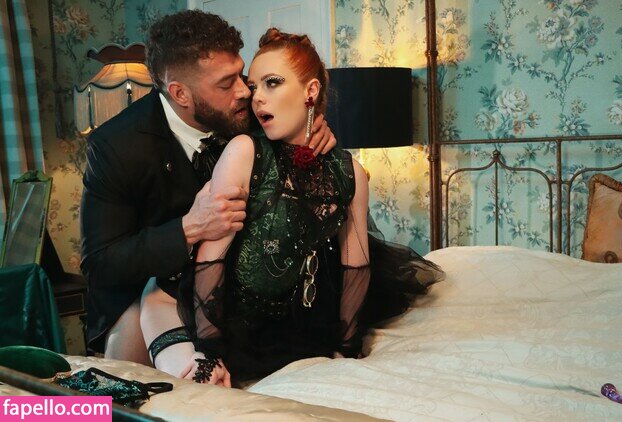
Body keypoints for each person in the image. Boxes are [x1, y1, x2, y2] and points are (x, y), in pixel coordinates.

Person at [141, 28, 443, 386]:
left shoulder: (350, 171)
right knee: (191, 385)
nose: (255, 97)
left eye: (272, 83)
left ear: (311, 91)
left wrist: (346, 348)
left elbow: (356, 265)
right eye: (254, 86)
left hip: (300, 319)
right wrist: (210, 351)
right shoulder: (244, 149)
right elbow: (211, 258)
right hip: (214, 311)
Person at [80, 10, 337, 364]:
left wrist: (313, 127)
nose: (245, 91)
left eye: (240, 73)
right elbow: (100, 263)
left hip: (237, 281)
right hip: (148, 286)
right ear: (180, 93)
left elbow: (299, 108)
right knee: (132, 378)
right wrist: (189, 228)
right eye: (226, 83)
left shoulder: (251, 101)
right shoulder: (115, 147)